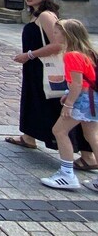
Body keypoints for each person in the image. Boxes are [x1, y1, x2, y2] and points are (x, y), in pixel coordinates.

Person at [7, 0, 97, 169]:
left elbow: (58, 44)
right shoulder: (37, 14)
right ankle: (29, 136)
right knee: (36, 102)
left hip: (45, 68)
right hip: (36, 68)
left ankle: (86, 155)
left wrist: (30, 54)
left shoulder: (46, 16)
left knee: (55, 106)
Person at [39, 19, 98, 191]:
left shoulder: (72, 55)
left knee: (59, 130)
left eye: (57, 32)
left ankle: (66, 174)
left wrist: (69, 103)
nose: (54, 34)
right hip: (93, 98)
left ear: (67, 35)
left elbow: (77, 84)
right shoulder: (89, 53)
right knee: (92, 135)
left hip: (83, 99)